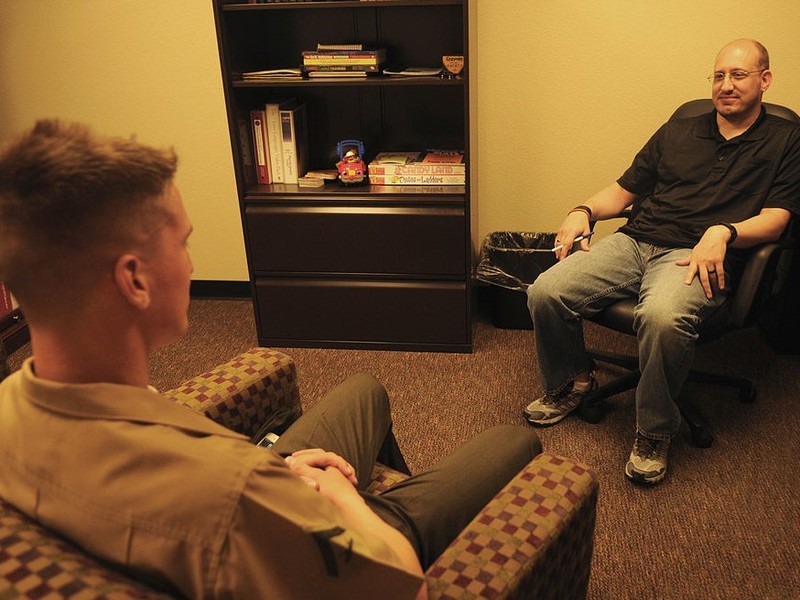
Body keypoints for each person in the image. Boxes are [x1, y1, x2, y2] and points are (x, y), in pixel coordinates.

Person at [0, 120, 542, 598]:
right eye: (183, 244)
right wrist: (334, 496)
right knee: (513, 441)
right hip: (297, 531)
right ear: (134, 280)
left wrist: (279, 470)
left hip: (254, 491)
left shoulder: (12, 409)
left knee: (363, 390)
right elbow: (407, 589)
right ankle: (393, 513)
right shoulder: (231, 498)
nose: (191, 266)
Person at [524, 38, 800, 485]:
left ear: (765, 80)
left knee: (661, 316)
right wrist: (584, 211)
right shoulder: (679, 129)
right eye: (718, 76)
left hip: (698, 255)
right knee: (546, 291)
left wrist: (724, 231)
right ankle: (573, 384)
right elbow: (624, 189)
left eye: (739, 75)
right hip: (637, 240)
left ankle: (653, 431)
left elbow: (777, 220)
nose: (725, 85)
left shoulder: (787, 141)